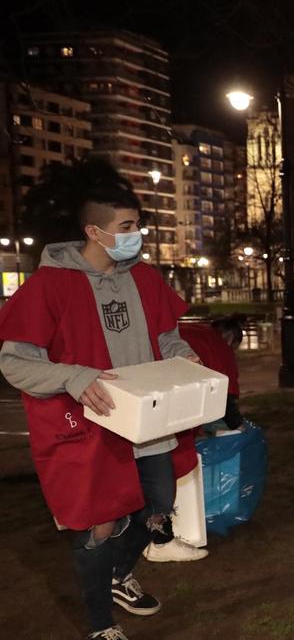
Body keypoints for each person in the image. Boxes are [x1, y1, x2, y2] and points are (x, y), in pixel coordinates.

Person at [0, 179, 200, 639]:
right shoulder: (49, 286)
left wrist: (181, 353)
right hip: (92, 426)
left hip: (150, 422)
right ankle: (99, 624)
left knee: (157, 508)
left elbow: (167, 335)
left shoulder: (146, 277)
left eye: (138, 224)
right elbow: (15, 363)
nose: (137, 234)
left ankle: (117, 577)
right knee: (100, 525)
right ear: (94, 231)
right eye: (126, 226)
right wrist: (75, 375)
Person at [139, 316, 246, 564]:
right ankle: (162, 536)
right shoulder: (218, 349)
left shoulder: (194, 333)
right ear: (230, 339)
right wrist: (238, 426)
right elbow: (226, 398)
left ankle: (151, 532)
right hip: (173, 410)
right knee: (168, 467)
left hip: (153, 395)